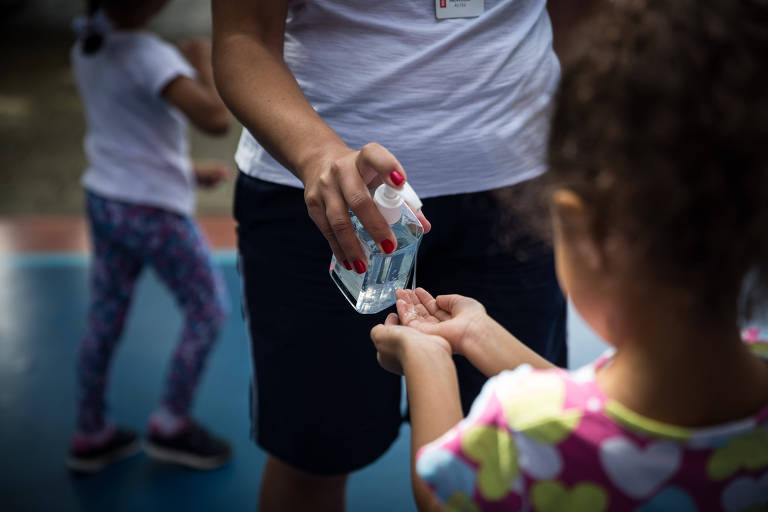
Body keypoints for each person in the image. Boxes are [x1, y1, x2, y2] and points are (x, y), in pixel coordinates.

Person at [370, 0, 768, 509]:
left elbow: (441, 495)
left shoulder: (520, 429)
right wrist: (478, 334)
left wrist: (428, 361)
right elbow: (608, 414)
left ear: (587, 230)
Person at [211, 1, 597, 509]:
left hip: (517, 193)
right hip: (323, 199)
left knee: (520, 450)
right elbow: (243, 37)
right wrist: (316, 154)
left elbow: (585, 18)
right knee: (312, 457)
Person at [67, 0, 233, 473]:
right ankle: (171, 424)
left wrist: (184, 170)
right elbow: (217, 119)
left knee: (105, 317)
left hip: (105, 198)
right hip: (153, 211)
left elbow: (127, 132)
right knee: (207, 310)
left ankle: (90, 431)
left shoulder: (89, 44)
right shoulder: (149, 54)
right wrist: (202, 58)